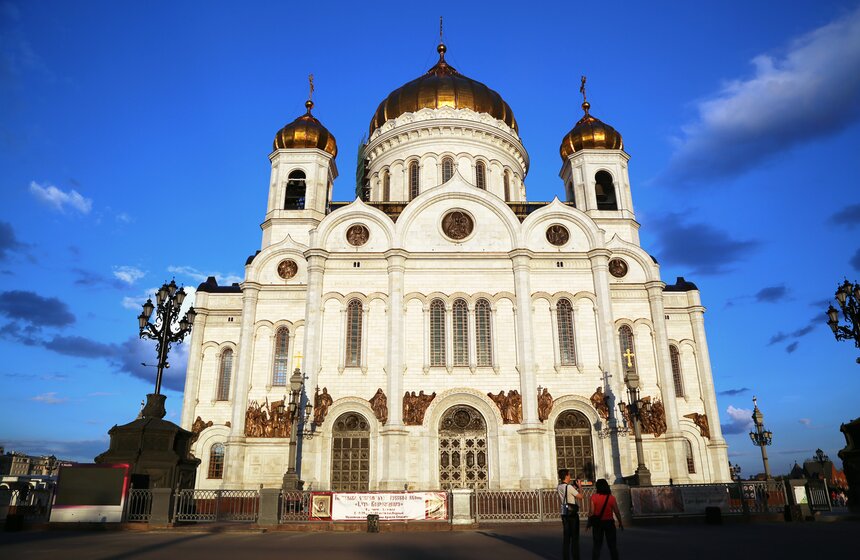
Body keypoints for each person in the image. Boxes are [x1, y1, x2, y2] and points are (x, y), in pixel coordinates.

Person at [588, 478, 623, 560]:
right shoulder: (611, 498)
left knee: (597, 546)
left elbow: (591, 512)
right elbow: (616, 511)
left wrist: (589, 523)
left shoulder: (593, 497)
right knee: (612, 546)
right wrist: (620, 522)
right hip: (609, 523)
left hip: (597, 523)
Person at [557, 468, 584, 560]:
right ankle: (576, 557)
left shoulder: (559, 486)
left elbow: (567, 494)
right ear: (566, 476)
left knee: (566, 537)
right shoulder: (569, 487)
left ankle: (566, 557)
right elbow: (581, 496)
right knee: (574, 537)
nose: (570, 477)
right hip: (572, 512)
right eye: (569, 475)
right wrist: (579, 486)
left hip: (564, 510)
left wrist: (574, 487)